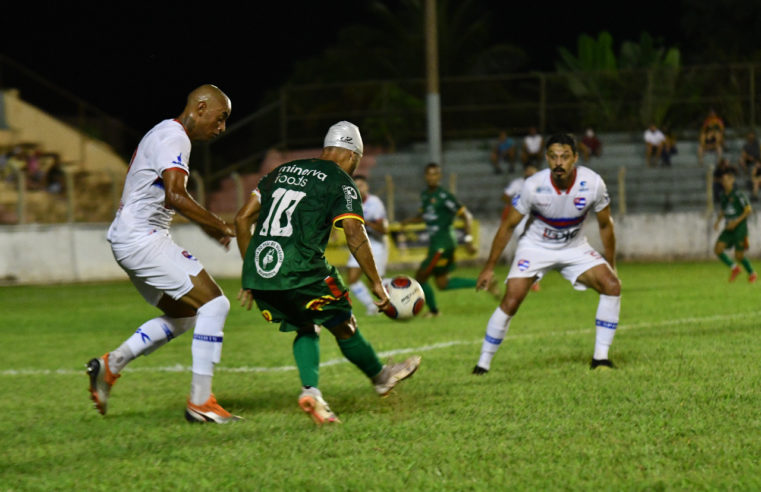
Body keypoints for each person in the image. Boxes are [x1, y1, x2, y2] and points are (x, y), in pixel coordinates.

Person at [234, 121, 421, 426]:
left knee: (306, 325)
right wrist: (376, 282)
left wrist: (250, 274)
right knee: (344, 322)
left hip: (263, 270)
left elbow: (242, 220)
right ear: (352, 155)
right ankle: (381, 377)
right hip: (302, 269)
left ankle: (312, 392)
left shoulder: (281, 171)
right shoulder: (340, 181)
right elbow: (355, 233)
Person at [86, 84, 241, 424]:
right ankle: (200, 403)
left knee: (185, 316)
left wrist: (211, 227)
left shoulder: (164, 132)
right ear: (200, 107)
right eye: (220, 117)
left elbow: (171, 195)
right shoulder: (174, 136)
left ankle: (111, 365)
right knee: (215, 304)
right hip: (142, 238)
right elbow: (175, 195)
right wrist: (217, 224)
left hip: (128, 239)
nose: (221, 127)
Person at [473, 133, 621, 374]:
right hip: (535, 247)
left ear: (575, 158)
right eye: (553, 157)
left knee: (612, 285)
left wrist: (611, 263)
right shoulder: (533, 186)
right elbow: (508, 226)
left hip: (574, 248)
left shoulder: (593, 183)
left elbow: (606, 225)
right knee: (512, 300)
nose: (558, 162)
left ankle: (601, 358)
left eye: (564, 157)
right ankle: (483, 363)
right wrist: (489, 267)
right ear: (546, 158)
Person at [401, 162, 493, 317]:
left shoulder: (444, 196)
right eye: (429, 174)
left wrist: (469, 239)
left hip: (443, 245)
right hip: (437, 244)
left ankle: (434, 311)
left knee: (420, 277)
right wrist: (408, 222)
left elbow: (467, 216)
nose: (432, 177)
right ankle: (483, 282)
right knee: (442, 283)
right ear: (425, 176)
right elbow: (424, 215)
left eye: (435, 174)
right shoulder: (425, 195)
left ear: (440, 176)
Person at [344, 174, 389, 315]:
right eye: (355, 185)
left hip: (375, 245)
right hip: (358, 244)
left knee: (374, 282)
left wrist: (364, 222)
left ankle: (400, 287)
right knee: (351, 279)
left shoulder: (375, 203)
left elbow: (383, 230)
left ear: (367, 187)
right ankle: (371, 306)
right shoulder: (349, 203)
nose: (359, 188)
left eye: (361, 185)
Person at [501, 162, 541, 292]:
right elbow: (505, 196)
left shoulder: (542, 185)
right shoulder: (517, 184)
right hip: (521, 219)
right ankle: (527, 278)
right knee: (525, 246)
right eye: (528, 172)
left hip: (536, 219)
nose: (530, 174)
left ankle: (530, 278)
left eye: (532, 172)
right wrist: (515, 205)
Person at [713, 166, 757, 283]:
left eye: (726, 180)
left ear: (732, 180)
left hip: (739, 228)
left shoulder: (738, 194)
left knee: (739, 256)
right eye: (723, 181)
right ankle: (735, 268)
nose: (724, 182)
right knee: (718, 249)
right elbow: (723, 210)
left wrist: (736, 222)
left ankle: (752, 273)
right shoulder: (723, 196)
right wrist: (717, 221)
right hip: (729, 227)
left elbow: (748, 209)